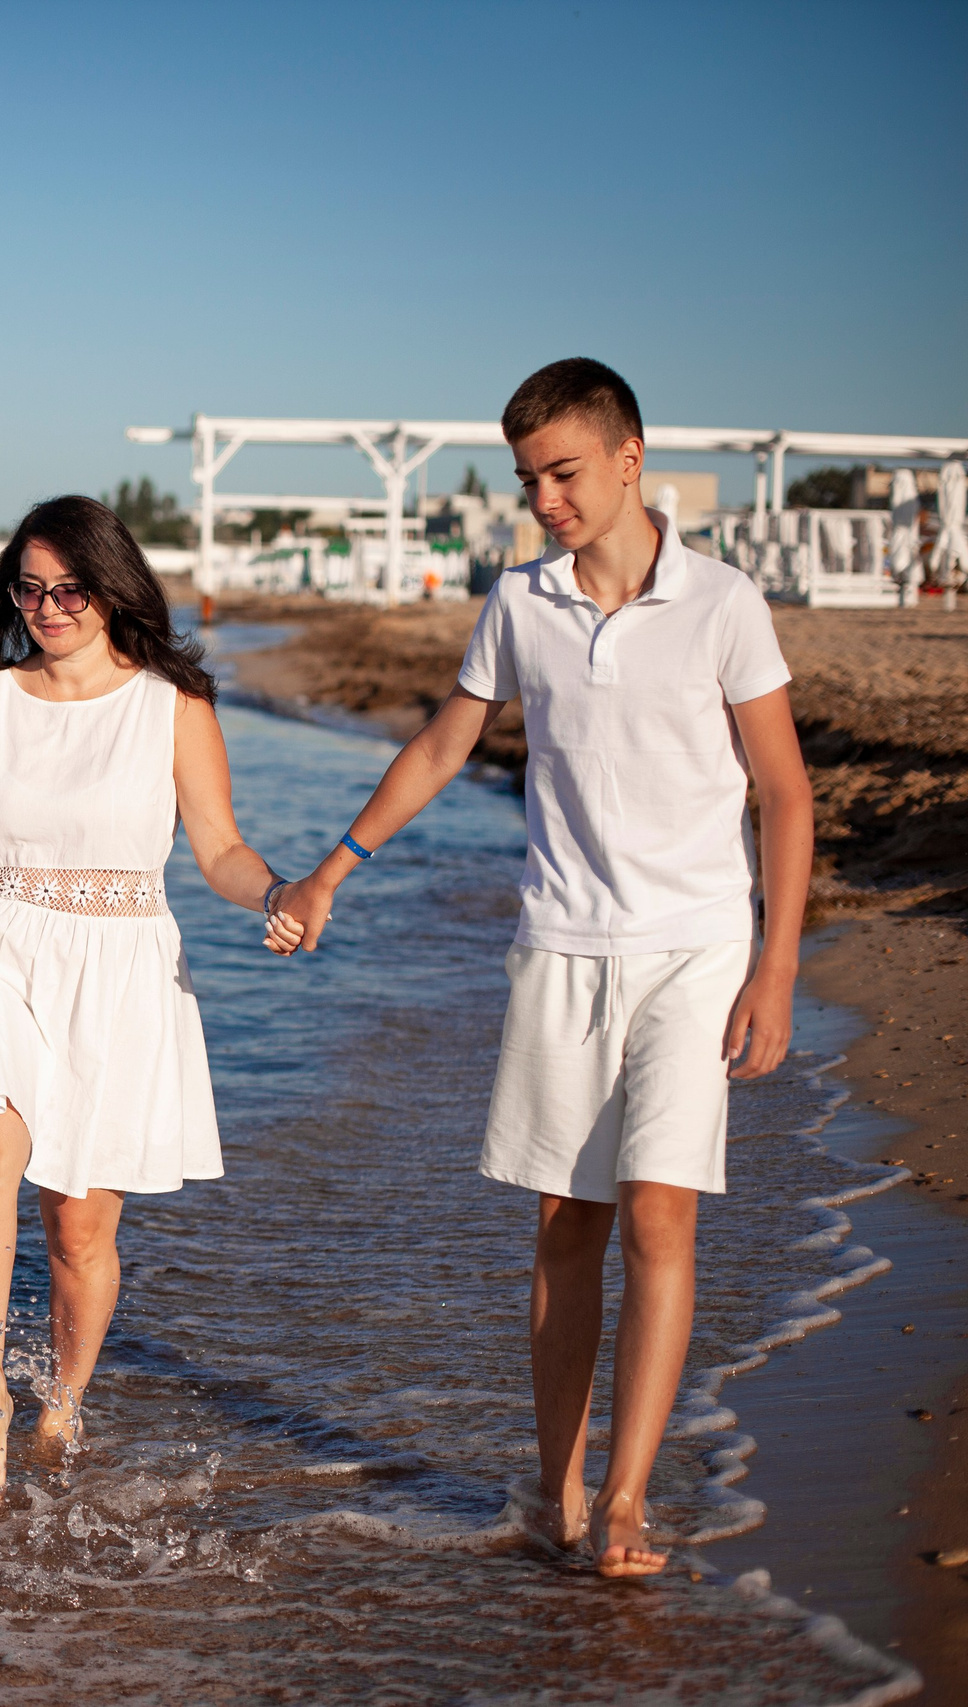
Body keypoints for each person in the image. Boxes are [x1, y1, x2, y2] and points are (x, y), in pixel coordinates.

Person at [272, 358, 814, 1578]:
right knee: (568, 1223)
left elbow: (783, 791)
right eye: (528, 480)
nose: (545, 499)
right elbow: (440, 742)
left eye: (563, 472)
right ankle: (558, 1490)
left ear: (631, 458)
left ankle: (626, 1498)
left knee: (659, 1213)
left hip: (694, 946)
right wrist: (329, 872)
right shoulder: (519, 603)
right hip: (562, 943)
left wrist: (773, 969)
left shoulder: (724, 604)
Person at [0, 495, 303, 1501]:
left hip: (119, 969)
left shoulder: (170, 703)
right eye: (29, 588)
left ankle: (64, 1399)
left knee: (77, 1228)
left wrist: (276, 893)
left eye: (68, 589)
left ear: (112, 590)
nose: (47, 607)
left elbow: (220, 848)